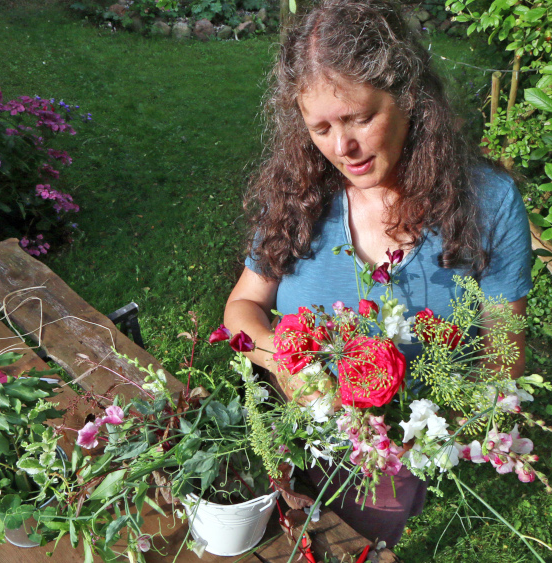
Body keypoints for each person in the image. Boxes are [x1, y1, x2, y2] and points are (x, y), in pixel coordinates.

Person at [223, 0, 533, 548]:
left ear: (409, 95)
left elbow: (504, 345)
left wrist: (440, 434)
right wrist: (286, 363)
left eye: (360, 118)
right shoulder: (301, 194)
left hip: (391, 463)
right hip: (287, 436)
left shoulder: (487, 201)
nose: (342, 148)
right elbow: (242, 309)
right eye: (319, 127)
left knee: (357, 545)